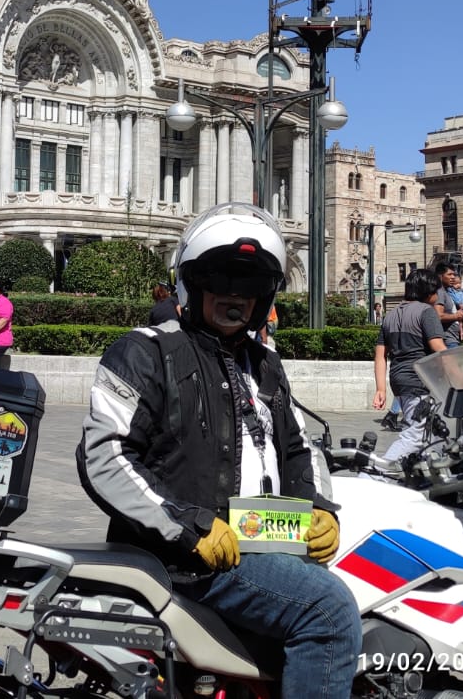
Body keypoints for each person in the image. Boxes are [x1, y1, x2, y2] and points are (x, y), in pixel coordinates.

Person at [77, 203, 360, 699]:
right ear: (192, 283)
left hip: (261, 543)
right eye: (221, 280)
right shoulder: (145, 350)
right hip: (185, 557)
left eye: (249, 285)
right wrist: (188, 525)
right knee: (330, 610)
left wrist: (320, 509)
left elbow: (298, 446)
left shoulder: (264, 363)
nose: (235, 295)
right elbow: (105, 456)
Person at [373, 269, 447, 461]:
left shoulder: (390, 315)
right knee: (414, 436)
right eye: (435, 291)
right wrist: (460, 370)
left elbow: (380, 355)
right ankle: (376, 473)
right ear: (427, 292)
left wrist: (380, 389)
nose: (438, 296)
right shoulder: (426, 312)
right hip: (419, 381)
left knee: (425, 433)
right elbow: (438, 347)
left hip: (398, 381)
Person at [432, 263, 463, 346]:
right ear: (440, 276)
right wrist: (456, 316)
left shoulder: (446, 292)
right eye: (449, 274)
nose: (453, 277)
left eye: (454, 274)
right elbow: (438, 316)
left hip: (453, 339)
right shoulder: (439, 292)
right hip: (447, 341)